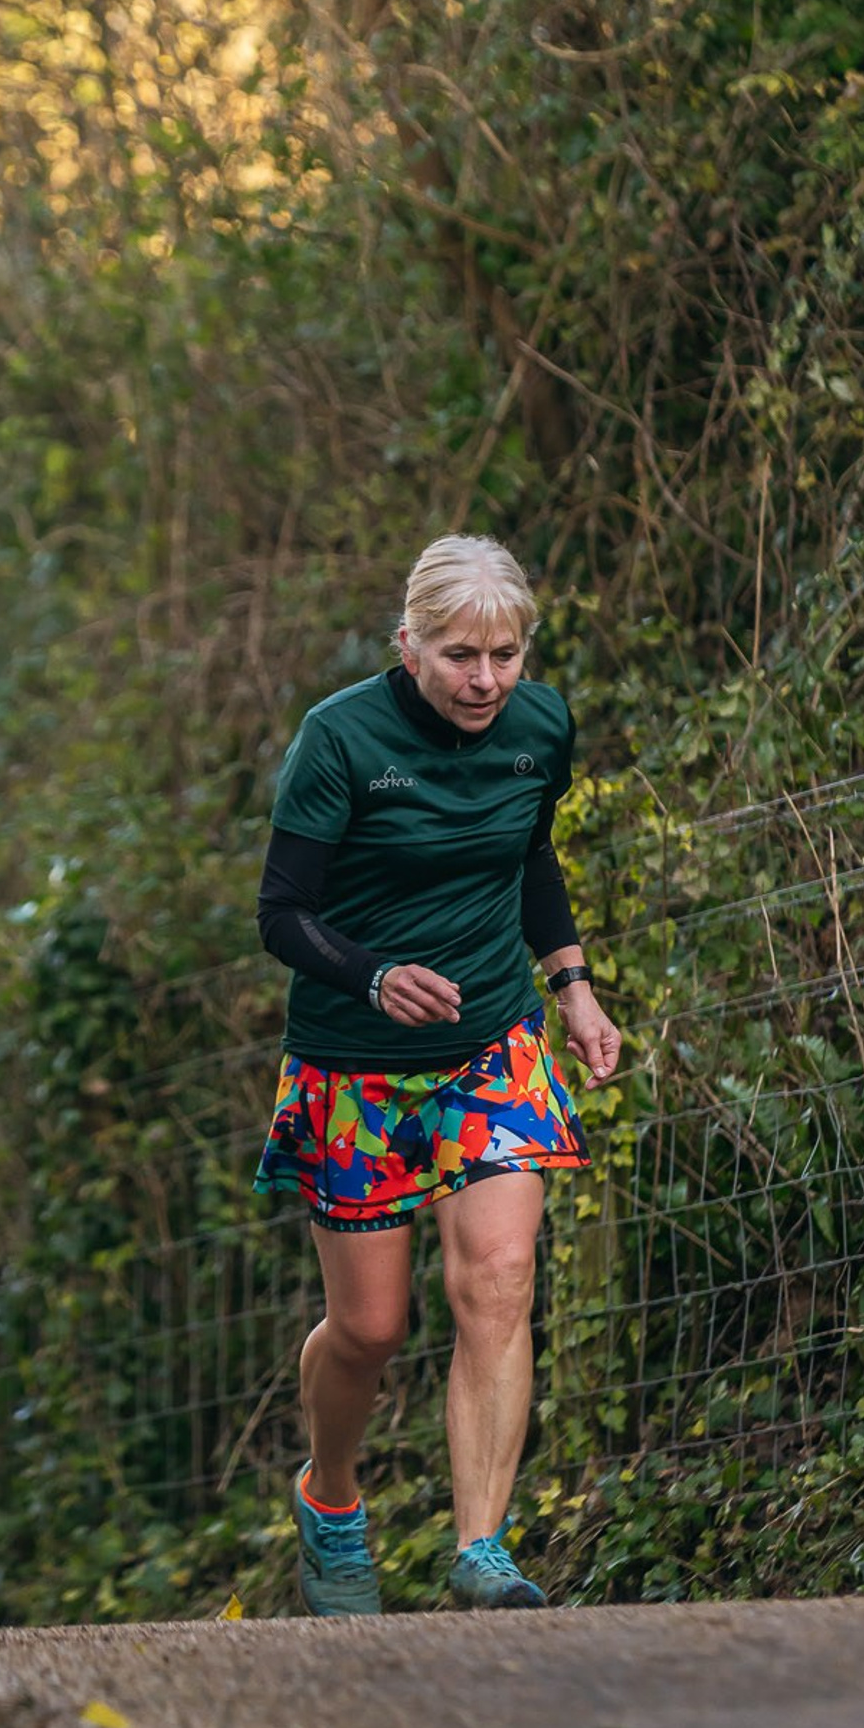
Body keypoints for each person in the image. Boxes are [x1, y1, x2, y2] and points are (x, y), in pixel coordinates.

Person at [253, 534, 621, 1614]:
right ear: (407, 642)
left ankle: (482, 1549)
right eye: (461, 655)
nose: (485, 681)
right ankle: (329, 1498)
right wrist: (372, 979)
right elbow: (281, 915)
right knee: (370, 1330)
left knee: (500, 1282)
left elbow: (529, 856)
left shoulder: (540, 729)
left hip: (489, 1046)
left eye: (505, 655)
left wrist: (574, 986)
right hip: (355, 1063)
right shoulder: (340, 739)